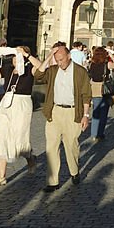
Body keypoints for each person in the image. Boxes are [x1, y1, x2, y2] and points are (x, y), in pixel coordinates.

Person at [34, 44, 92, 192]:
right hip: (54, 111)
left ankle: (74, 171)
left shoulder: (80, 72)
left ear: (69, 56)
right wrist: (48, 57)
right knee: (51, 147)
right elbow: (38, 75)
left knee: (71, 145)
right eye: (57, 60)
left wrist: (85, 115)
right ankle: (52, 181)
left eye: (61, 59)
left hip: (72, 112)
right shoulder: (53, 70)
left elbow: (86, 94)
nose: (60, 63)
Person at [0, 45, 41, 186]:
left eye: (18, 55)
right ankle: (1, 176)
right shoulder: (8, 69)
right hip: (6, 102)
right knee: (2, 136)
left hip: (22, 103)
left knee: (20, 138)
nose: (14, 58)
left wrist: (27, 55)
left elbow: (42, 67)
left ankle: (30, 158)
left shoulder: (30, 70)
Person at [88, 46, 113, 141]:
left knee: (95, 112)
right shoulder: (106, 64)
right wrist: (111, 55)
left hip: (94, 88)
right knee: (103, 113)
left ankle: (93, 134)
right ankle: (100, 133)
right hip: (104, 89)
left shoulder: (91, 64)